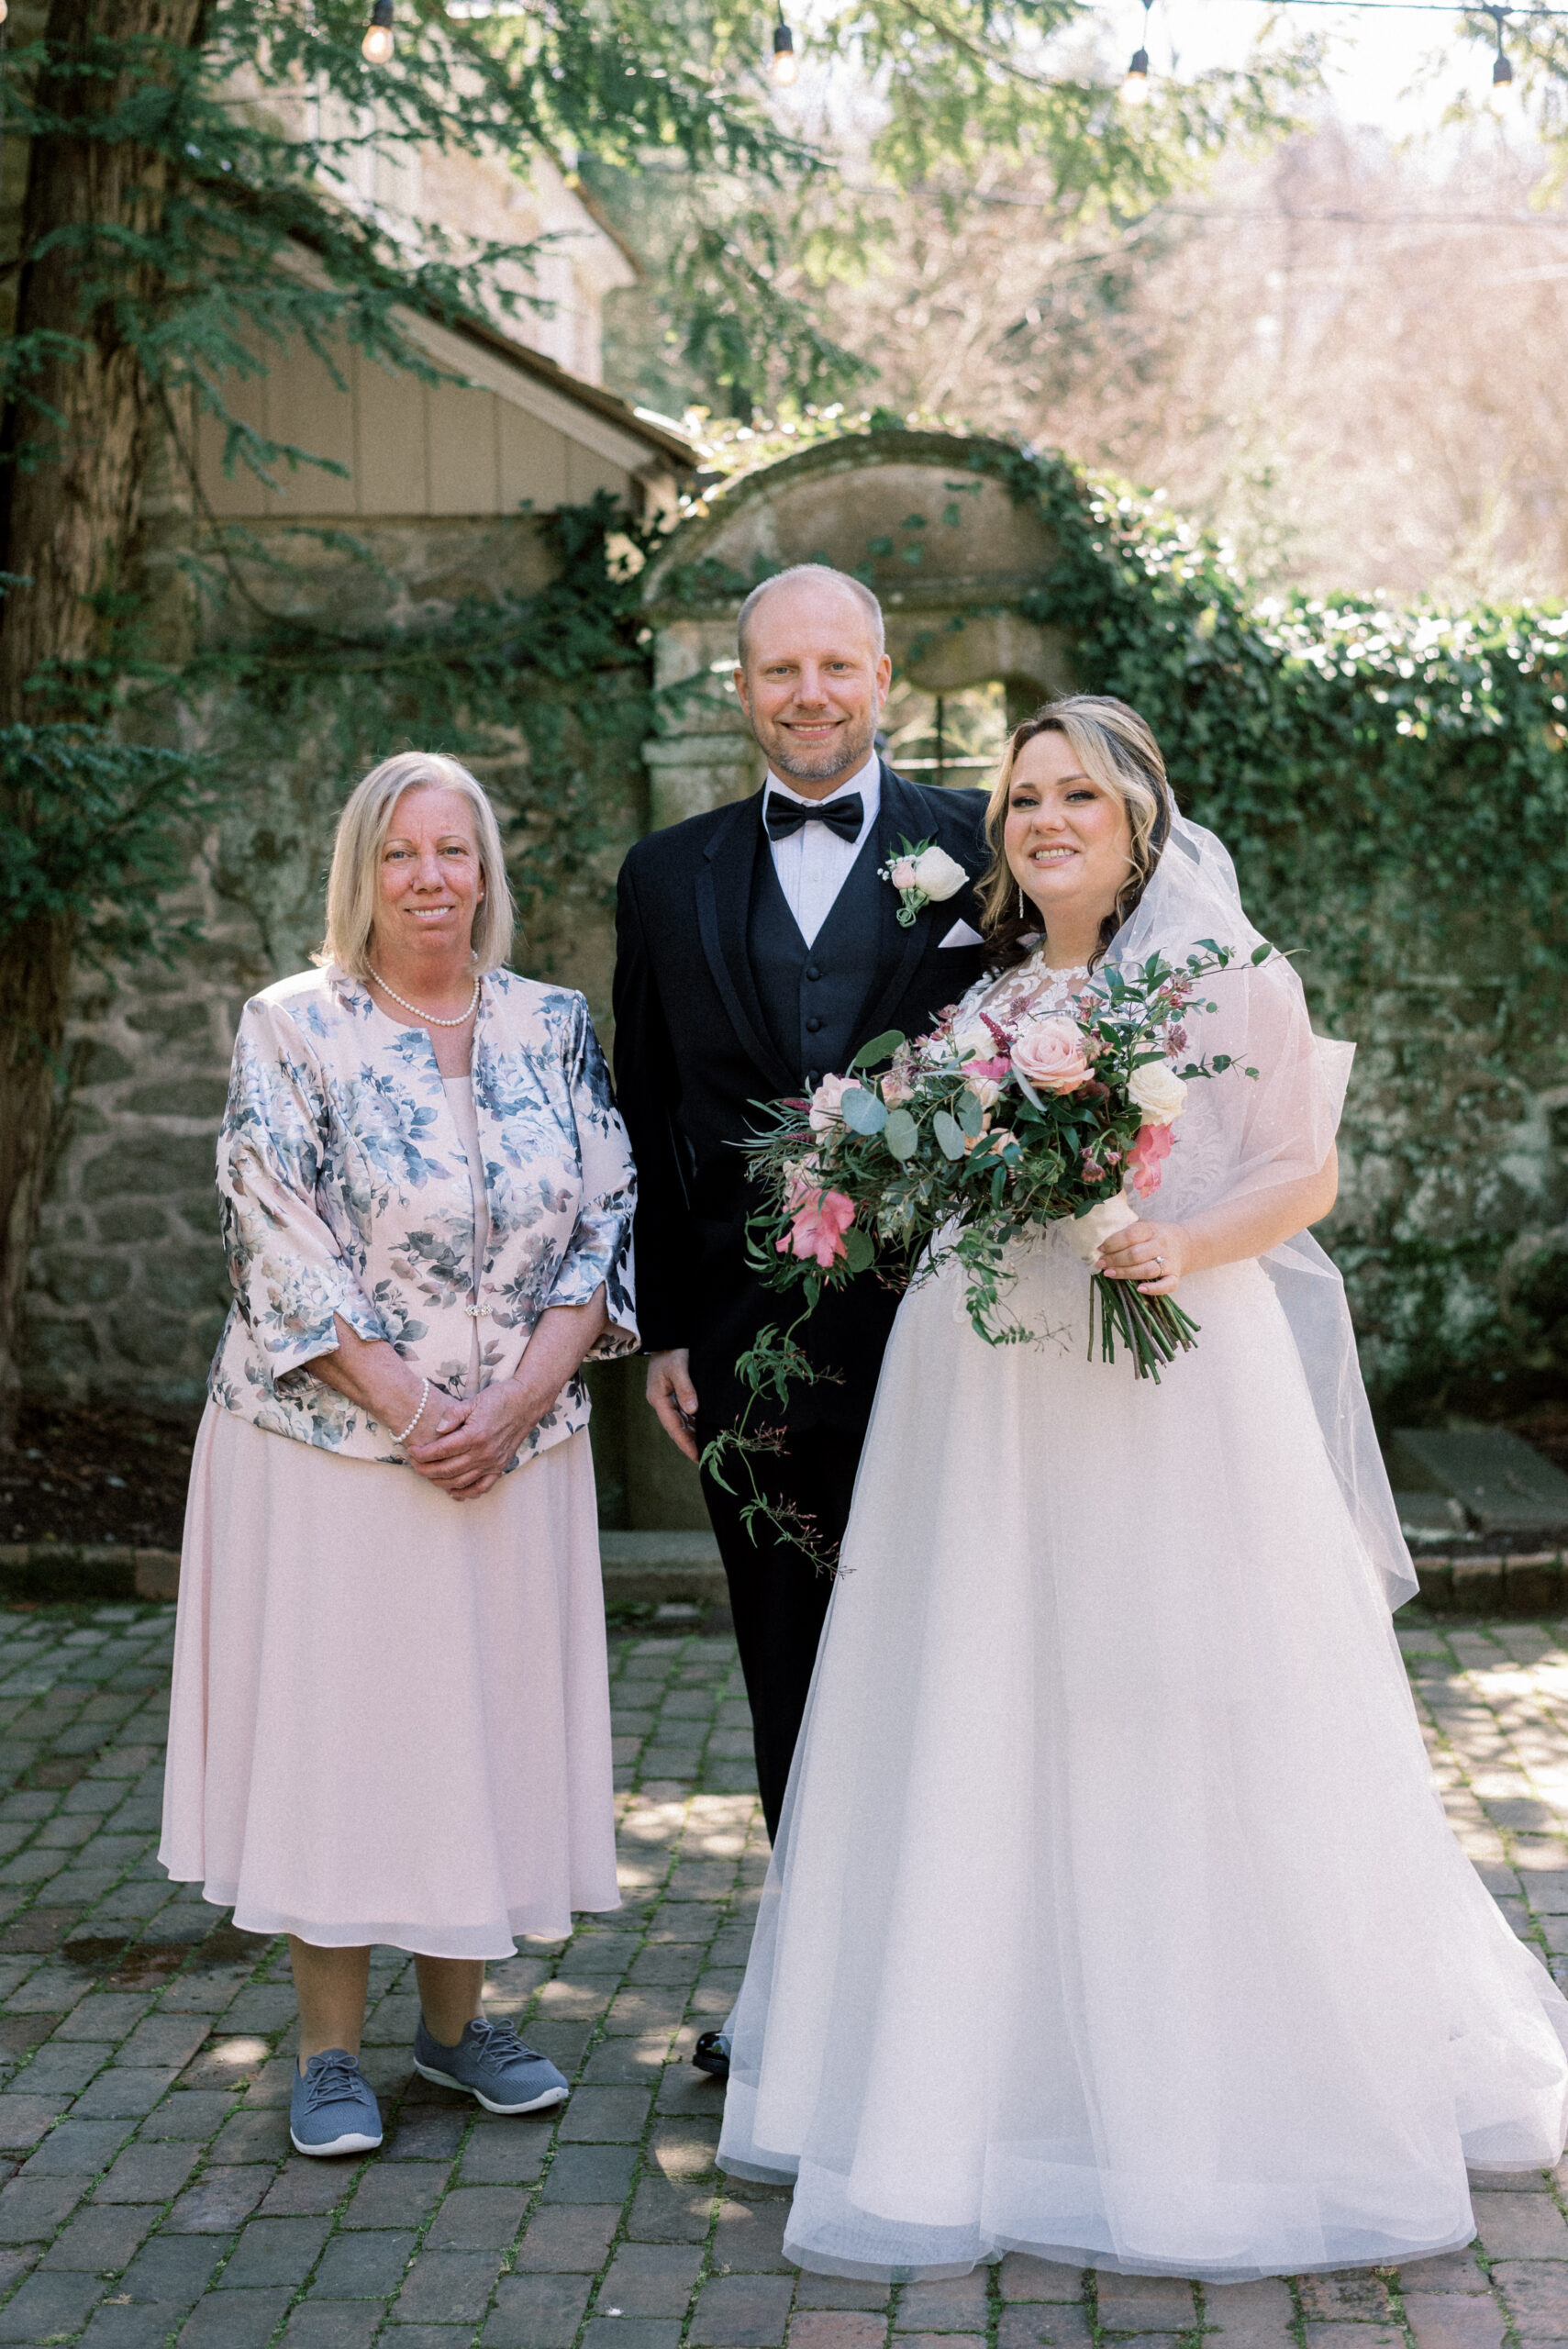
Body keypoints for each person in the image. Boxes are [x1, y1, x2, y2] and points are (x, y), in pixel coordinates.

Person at [716, 696, 1568, 2281]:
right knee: (987, 1696)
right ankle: (989, 2076)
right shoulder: (979, 991)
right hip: (985, 1391)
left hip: (1164, 1378)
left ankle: (1200, 2084)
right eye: (1022, 798)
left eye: (1077, 797)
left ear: (1138, 823)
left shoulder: (1227, 975)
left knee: (1170, 1694)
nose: (1044, 820)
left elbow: (1299, 1171)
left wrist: (1179, 1239)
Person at [160, 751, 638, 2160]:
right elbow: (275, 1237)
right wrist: (417, 1411)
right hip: (335, 1452)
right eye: (399, 853)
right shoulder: (292, 1026)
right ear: (360, 874)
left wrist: (518, 1402)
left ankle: (453, 2028)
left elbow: (606, 1219)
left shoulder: (552, 1024)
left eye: (452, 850)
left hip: (516, 1451)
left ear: (485, 871)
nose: (430, 878)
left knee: (472, 1726)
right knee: (345, 1731)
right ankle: (325, 2053)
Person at [613, 566, 989, 2067]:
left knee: (961, 1658)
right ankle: (821, 2004)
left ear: (883, 676)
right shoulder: (666, 875)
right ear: (741, 689)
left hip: (958, 1341)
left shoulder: (986, 844)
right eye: (780, 670)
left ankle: (964, 2000)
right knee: (791, 1664)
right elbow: (648, 1110)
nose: (809, 693)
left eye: (837, 664)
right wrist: (666, 1328)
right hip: (750, 1352)